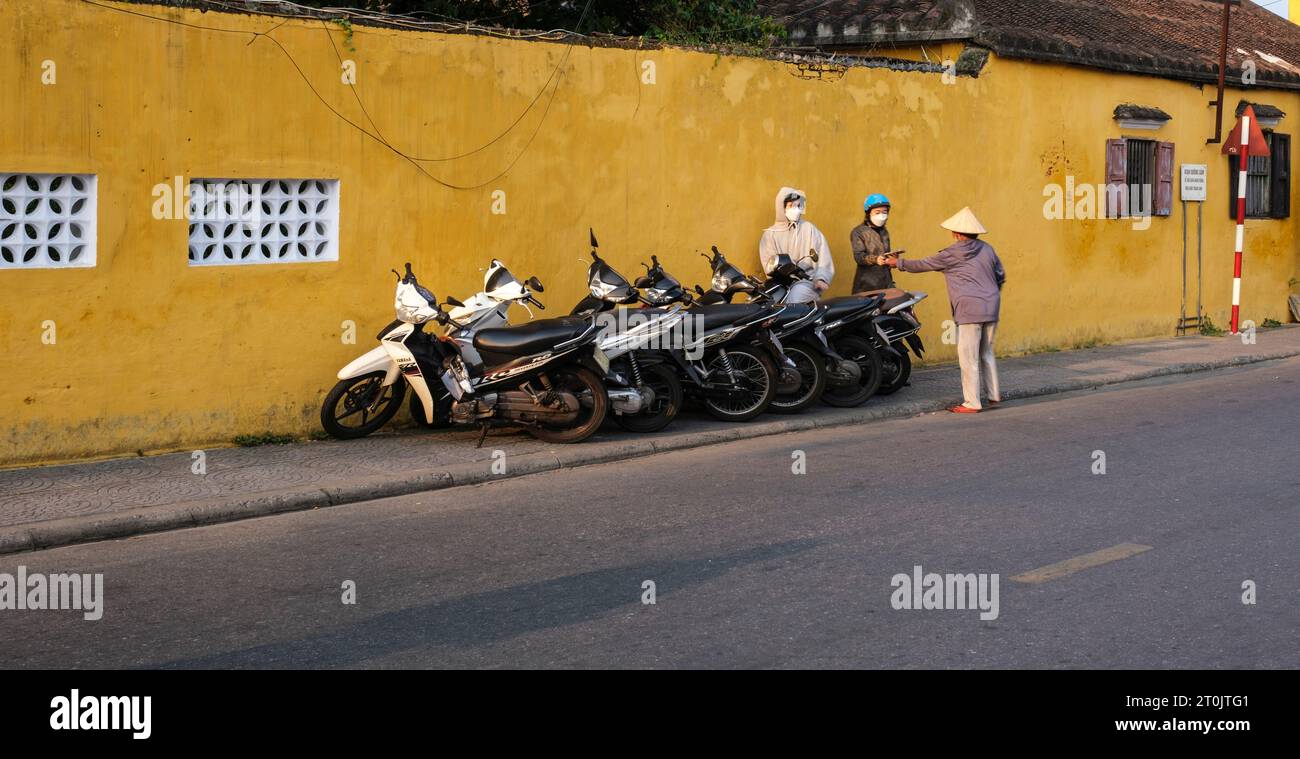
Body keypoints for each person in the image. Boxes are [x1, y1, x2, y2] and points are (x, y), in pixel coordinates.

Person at [885, 207, 1005, 413]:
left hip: (969, 309)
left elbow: (924, 264)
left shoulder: (952, 253)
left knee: (968, 357)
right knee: (986, 352)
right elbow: (1000, 275)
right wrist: (990, 294)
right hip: (991, 306)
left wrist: (897, 263)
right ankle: (993, 395)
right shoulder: (988, 249)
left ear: (957, 233)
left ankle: (972, 403)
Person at [759, 187, 834, 303]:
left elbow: (824, 258)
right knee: (763, 304)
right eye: (791, 205)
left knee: (794, 299)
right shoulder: (770, 235)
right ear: (781, 207)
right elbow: (769, 265)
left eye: (798, 206)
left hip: (805, 282)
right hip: (779, 284)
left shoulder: (809, 229)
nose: (796, 209)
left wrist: (821, 278)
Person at [850, 193, 902, 293]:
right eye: (877, 212)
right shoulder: (858, 232)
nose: (881, 215)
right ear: (868, 213)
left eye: (884, 212)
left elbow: (885, 254)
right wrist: (875, 259)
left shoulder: (884, 231)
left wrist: (892, 259)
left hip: (886, 282)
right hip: (866, 285)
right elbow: (859, 257)